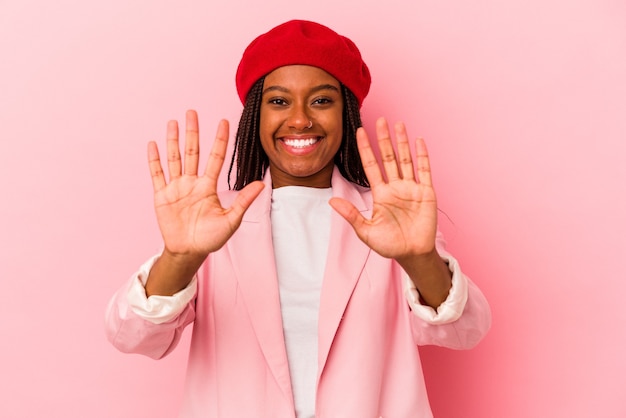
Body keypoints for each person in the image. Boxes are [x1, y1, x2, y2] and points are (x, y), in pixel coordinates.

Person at [105, 19, 491, 418]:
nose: (301, 119)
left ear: (347, 113)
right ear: (257, 115)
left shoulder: (389, 218)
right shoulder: (214, 222)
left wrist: (419, 258)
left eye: (322, 101)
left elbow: (466, 331)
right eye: (279, 101)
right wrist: (180, 257)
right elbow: (132, 336)